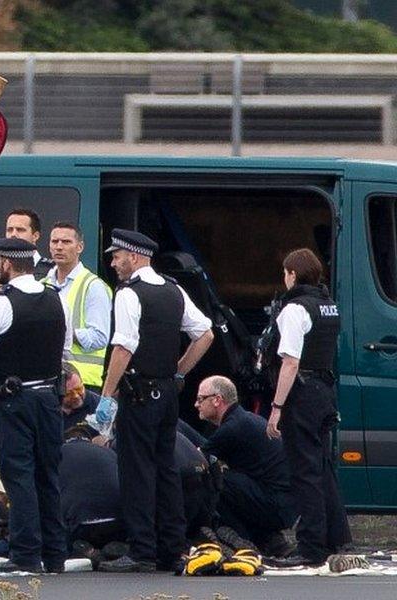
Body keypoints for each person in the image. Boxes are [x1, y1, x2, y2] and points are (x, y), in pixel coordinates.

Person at [97, 229, 214, 574]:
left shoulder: (130, 294)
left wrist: (107, 394)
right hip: (166, 395)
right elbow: (204, 333)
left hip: (138, 394)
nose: (114, 263)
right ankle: (172, 548)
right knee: (166, 471)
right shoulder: (173, 290)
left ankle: (142, 549)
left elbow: (123, 347)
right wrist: (177, 372)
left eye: (117, 257)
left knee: (136, 472)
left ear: (133, 257)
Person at [0, 237, 70, 573]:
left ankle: (26, 553)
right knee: (48, 475)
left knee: (19, 475)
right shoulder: (56, 298)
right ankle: (55, 554)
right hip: (50, 399)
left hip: (15, 400)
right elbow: (64, 349)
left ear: (6, 264)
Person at [265, 248, 351, 567]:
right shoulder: (328, 306)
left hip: (301, 393)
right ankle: (335, 537)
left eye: (285, 273)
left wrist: (277, 406)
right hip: (324, 391)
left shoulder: (294, 309)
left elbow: (290, 362)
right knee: (322, 468)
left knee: (305, 472)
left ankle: (311, 546)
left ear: (292, 274)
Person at [192, 375, 296, 554]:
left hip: (275, 505)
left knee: (216, 480)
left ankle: (241, 538)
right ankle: (268, 540)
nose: (196, 404)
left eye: (200, 399)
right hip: (283, 504)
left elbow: (197, 458)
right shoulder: (244, 419)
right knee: (230, 480)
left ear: (217, 400)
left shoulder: (232, 428)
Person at [42, 222, 112, 392]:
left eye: (66, 242)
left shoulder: (93, 286)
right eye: (54, 241)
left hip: (82, 383)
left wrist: (64, 333)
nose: (59, 247)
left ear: (80, 247)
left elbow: (100, 337)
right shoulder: (42, 284)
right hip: (47, 379)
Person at [4, 208, 54, 280]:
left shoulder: (52, 272)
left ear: (35, 236)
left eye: (20, 230)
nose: (13, 234)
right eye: (10, 230)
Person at [62, 366, 100, 433]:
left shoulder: (99, 406)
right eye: (69, 393)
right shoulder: (47, 408)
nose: (76, 396)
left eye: (79, 389)